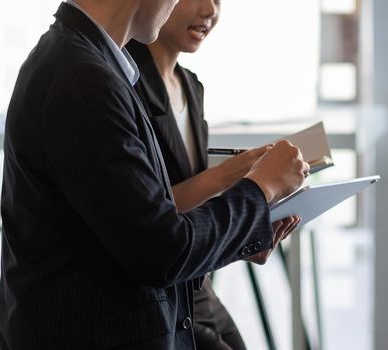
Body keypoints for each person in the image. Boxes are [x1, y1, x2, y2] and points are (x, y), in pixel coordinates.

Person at [0, 0, 308, 348]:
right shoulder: (82, 77)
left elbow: (135, 228)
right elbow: (161, 250)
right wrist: (261, 188)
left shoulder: (85, 63)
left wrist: (241, 231)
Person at [125, 0, 296, 348]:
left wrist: (244, 238)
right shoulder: (126, 85)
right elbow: (146, 213)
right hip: (158, 296)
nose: (210, 10)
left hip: (198, 285)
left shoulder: (191, 85)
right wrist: (235, 175)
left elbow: (195, 209)